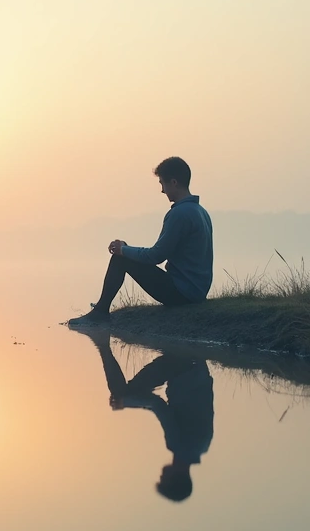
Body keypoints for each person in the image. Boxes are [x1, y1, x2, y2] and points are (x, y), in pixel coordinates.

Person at [79, 325, 214, 502]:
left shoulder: (202, 447)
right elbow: (157, 405)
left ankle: (104, 346)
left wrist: (133, 403)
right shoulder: (178, 445)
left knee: (129, 394)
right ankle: (102, 344)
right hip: (182, 367)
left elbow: (160, 407)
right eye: (163, 479)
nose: (161, 474)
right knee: (121, 393)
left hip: (196, 366)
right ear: (174, 478)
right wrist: (125, 403)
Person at [79, 156, 213, 320]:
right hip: (196, 292)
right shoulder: (200, 211)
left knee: (120, 259)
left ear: (174, 182)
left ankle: (100, 312)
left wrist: (123, 250)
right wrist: (126, 249)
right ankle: (100, 309)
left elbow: (155, 256)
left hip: (183, 294)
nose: (162, 190)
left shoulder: (179, 214)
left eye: (162, 184)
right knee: (124, 254)